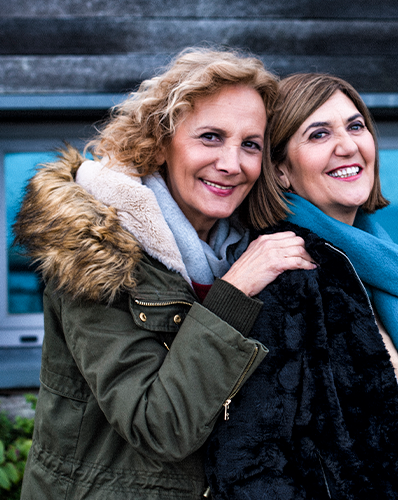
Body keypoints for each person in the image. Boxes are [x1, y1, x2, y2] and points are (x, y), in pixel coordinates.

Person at [13, 47, 316, 499]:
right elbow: (160, 427)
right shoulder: (98, 250)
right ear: (159, 142)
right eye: (210, 137)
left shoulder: (246, 247)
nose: (232, 164)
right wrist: (233, 295)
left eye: (250, 144)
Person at [204, 73, 398, 500]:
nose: (348, 145)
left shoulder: (378, 264)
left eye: (355, 126)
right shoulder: (288, 272)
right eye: (319, 134)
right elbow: (251, 462)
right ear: (280, 170)